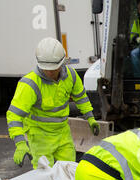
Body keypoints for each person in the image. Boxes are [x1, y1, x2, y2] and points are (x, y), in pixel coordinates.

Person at [6, 37, 100, 169]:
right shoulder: (30, 84)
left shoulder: (71, 76)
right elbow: (14, 115)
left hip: (62, 133)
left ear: (62, 63)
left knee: (69, 170)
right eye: (46, 68)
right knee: (44, 176)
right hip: (40, 136)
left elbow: (81, 98)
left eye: (54, 68)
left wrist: (90, 118)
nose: (50, 72)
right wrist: (20, 143)